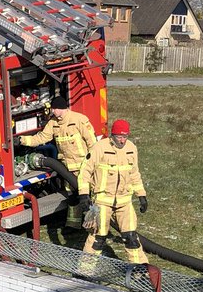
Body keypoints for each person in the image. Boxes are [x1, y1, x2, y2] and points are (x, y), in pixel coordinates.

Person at [78, 118, 149, 264]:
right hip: (102, 201)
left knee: (131, 237)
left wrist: (141, 195)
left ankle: (140, 270)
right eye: (119, 137)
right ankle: (85, 270)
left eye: (125, 137)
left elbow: (134, 173)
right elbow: (85, 172)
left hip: (124, 201)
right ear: (112, 135)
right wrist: (84, 195)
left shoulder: (131, 148)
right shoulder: (99, 148)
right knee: (98, 237)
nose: (122, 141)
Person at [18, 95, 98, 203]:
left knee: (89, 198)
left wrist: (93, 165)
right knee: (73, 201)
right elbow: (41, 138)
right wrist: (21, 140)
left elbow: (92, 144)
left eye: (54, 109)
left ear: (61, 108)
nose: (52, 111)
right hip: (67, 170)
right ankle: (73, 220)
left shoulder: (79, 120)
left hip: (83, 169)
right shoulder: (53, 123)